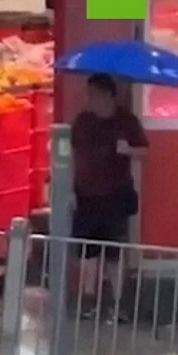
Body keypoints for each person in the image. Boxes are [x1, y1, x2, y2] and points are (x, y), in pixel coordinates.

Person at [70, 73, 147, 321]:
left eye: (95, 94)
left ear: (109, 96)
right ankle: (89, 301)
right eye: (88, 94)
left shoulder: (126, 121)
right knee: (89, 254)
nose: (90, 99)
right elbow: (73, 156)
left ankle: (118, 304)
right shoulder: (82, 122)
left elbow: (145, 151)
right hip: (86, 196)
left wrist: (128, 149)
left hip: (116, 194)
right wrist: (70, 190)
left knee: (114, 253)